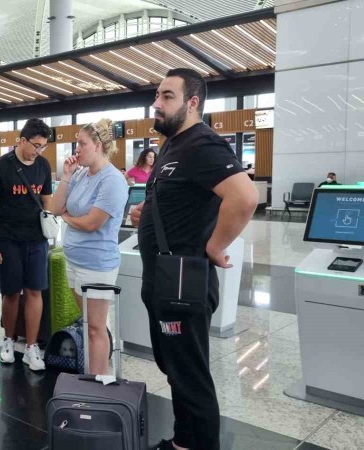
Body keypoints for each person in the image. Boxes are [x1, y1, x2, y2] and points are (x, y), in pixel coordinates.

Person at [130, 68, 258, 450]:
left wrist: (216, 246)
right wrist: (145, 214)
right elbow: (180, 200)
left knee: (191, 377)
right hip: (162, 278)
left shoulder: (202, 143)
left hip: (183, 282)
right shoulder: (173, 145)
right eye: (156, 95)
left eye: (167, 96)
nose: (157, 103)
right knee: (175, 369)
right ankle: (184, 442)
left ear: (192, 102)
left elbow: (244, 197)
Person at [51, 119, 128, 375]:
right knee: (88, 324)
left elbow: (93, 223)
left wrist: (68, 219)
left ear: (98, 145)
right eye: (77, 143)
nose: (77, 149)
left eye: (82, 143)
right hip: (74, 261)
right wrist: (66, 176)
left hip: (97, 265)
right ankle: (92, 377)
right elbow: (55, 208)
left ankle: (99, 382)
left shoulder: (112, 180)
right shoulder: (80, 174)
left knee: (96, 327)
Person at [0, 118, 53, 372]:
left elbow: (47, 201)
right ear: (22, 140)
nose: (39, 151)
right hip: (8, 239)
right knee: (11, 293)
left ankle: (32, 347)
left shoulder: (43, 165)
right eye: (36, 145)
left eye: (43, 146)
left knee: (35, 291)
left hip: (37, 239)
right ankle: (9, 340)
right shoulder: (2, 167)